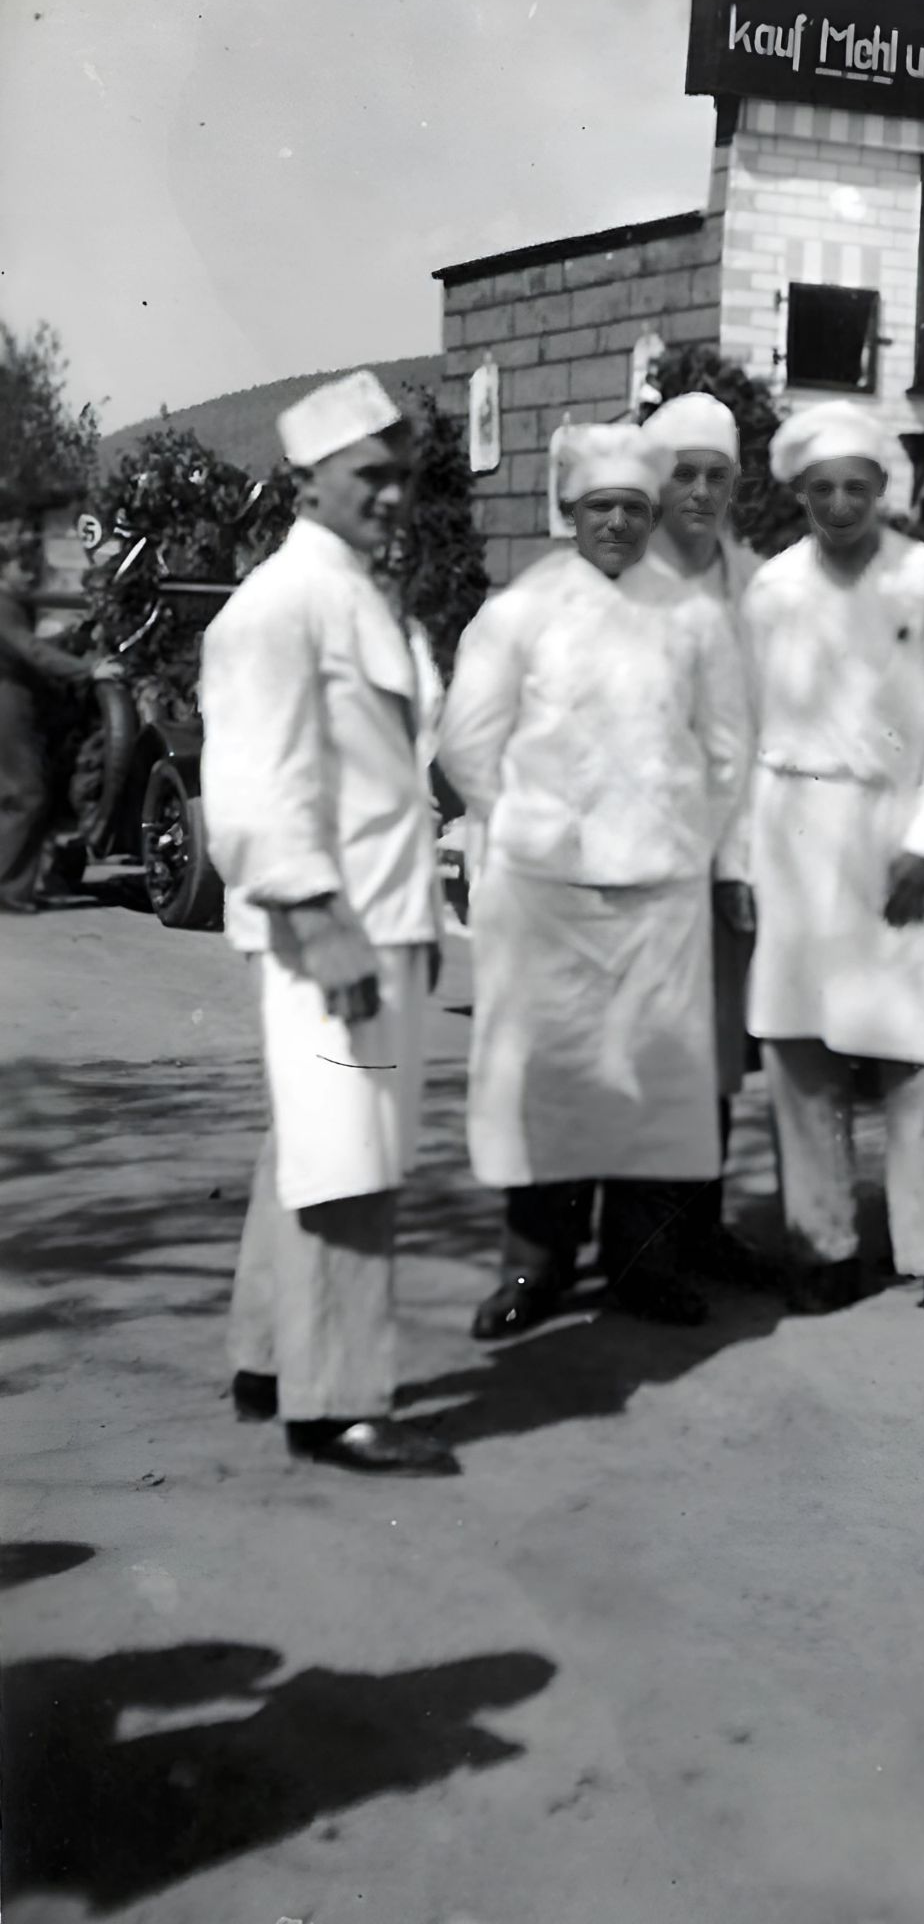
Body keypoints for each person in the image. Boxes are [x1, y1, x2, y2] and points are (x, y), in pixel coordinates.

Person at [441, 424, 751, 1342]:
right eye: (599, 507)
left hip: (661, 890)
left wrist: (690, 840)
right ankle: (535, 1265)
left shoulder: (694, 620)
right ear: (566, 512)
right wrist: (535, 830)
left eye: (633, 508)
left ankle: (643, 1265)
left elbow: (728, 750)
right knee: (554, 1082)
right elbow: (465, 742)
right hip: (551, 891)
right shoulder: (517, 615)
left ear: (652, 517)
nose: (617, 522)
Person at [201, 369, 458, 1474]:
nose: (393, 495)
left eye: (401, 475)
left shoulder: (356, 590)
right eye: (370, 476)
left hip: (382, 912)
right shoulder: (278, 603)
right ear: (306, 483)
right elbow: (255, 785)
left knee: (310, 1144)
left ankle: (269, 1359)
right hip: (330, 924)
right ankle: (339, 1403)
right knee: (349, 1160)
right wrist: (319, 917)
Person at [737, 401, 924, 1330]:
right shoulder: (772, 589)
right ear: (800, 495)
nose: (841, 505)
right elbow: (736, 731)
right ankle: (821, 1249)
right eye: (822, 490)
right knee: (801, 1050)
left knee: (919, 1055)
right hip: (793, 828)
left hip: (897, 825)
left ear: (884, 492)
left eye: (858, 488)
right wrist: (741, 857)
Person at [628, 389, 772, 1288]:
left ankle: (701, 1231)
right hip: (635, 853)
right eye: (683, 473)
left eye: (718, 476)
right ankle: (642, 1256)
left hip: (728, 852)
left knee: (715, 1055)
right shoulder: (620, 575)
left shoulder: (756, 583)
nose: (701, 493)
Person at [0, 538, 109, 913]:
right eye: (25, 569)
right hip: (8, 704)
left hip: (16, 701)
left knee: (18, 793)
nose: (31, 577)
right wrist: (89, 669)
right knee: (25, 794)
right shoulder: (3, 603)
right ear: (7, 569)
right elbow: (29, 650)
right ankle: (9, 890)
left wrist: (73, 637)